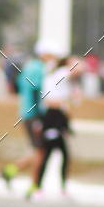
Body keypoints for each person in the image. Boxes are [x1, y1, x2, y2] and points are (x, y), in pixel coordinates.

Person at [1, 42, 55, 191]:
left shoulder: (29, 66)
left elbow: (19, 86)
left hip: (26, 112)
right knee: (40, 151)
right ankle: (34, 185)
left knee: (38, 149)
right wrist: (39, 116)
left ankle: (10, 171)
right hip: (33, 115)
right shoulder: (38, 68)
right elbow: (35, 90)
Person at [28, 57, 75, 198]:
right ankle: (38, 187)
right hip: (50, 123)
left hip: (57, 123)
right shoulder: (58, 76)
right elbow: (50, 102)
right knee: (47, 155)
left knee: (63, 156)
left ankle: (60, 187)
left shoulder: (57, 81)